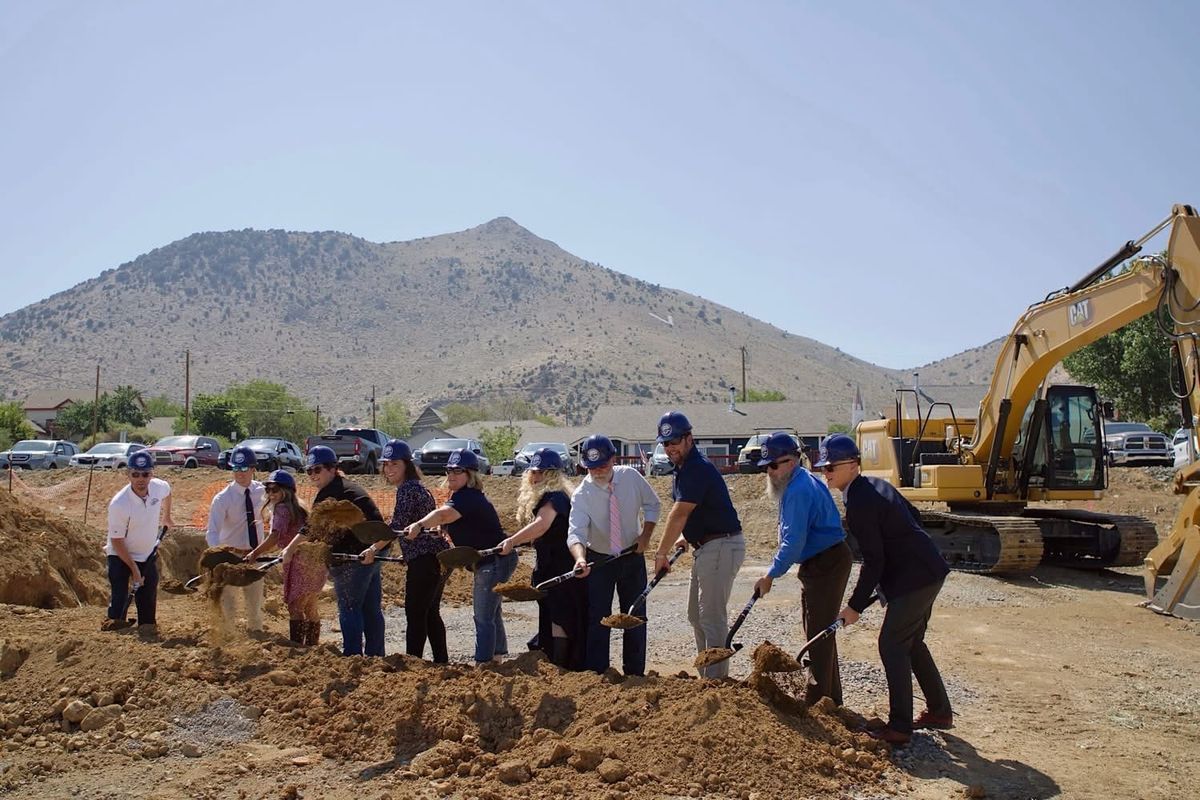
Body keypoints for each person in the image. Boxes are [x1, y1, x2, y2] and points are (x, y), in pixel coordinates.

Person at [821, 434, 954, 746]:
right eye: (823, 467)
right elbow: (914, 518)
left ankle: (899, 728)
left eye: (831, 466)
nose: (826, 472)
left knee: (891, 645)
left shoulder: (860, 502)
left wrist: (854, 605)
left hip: (915, 578)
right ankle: (939, 711)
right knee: (911, 642)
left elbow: (874, 559)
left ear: (853, 465)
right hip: (928, 570)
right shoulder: (875, 486)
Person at [751, 432, 852, 704]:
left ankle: (819, 703)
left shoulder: (797, 490)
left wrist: (770, 574)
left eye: (774, 465)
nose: (769, 472)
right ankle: (831, 701)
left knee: (819, 636)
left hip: (826, 563)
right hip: (822, 562)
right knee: (820, 633)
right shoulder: (796, 484)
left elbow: (793, 543)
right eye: (766, 467)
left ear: (793, 461)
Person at [652, 411, 745, 679]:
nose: (670, 448)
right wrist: (687, 536)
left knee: (712, 618)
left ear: (689, 439)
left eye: (675, 442)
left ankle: (717, 684)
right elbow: (694, 512)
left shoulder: (696, 468)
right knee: (696, 615)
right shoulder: (683, 469)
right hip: (707, 546)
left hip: (721, 545)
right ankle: (708, 677)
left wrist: (661, 553)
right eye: (666, 444)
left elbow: (679, 513)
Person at [406, 448, 515, 664]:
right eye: (449, 471)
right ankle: (497, 657)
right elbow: (454, 520)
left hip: (493, 560)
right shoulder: (461, 496)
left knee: (483, 614)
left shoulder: (468, 497)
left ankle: (484, 662)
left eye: (458, 471)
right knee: (492, 610)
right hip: (493, 559)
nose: (452, 475)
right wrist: (443, 528)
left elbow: (443, 514)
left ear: (471, 475)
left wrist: (419, 524)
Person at [567, 434, 660, 675]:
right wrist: (580, 558)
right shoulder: (581, 495)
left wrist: (645, 536)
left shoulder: (631, 478)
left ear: (613, 460)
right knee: (599, 617)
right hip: (600, 559)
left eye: (603, 465)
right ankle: (599, 673)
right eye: (592, 467)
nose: (598, 471)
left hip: (632, 554)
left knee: (635, 615)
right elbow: (575, 532)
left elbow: (653, 504)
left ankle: (634, 672)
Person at [500, 447, 584, 669]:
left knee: (560, 615)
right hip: (550, 563)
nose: (536, 476)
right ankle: (558, 662)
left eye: (542, 473)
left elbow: (541, 525)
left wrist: (512, 541)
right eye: (534, 472)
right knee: (550, 614)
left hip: (560, 564)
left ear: (553, 474)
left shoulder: (554, 498)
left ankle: (561, 665)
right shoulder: (551, 497)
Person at [305, 445, 390, 656]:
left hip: (357, 556)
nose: (313, 475)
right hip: (375, 549)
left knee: (350, 607)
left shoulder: (332, 493)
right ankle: (375, 656)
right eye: (309, 471)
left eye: (317, 470)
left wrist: (292, 550)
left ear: (332, 469)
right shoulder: (346, 487)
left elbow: (310, 529)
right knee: (370, 609)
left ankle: (353, 657)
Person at [379, 439, 447, 663]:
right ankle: (441, 661)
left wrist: (372, 547)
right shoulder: (418, 487)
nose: (389, 469)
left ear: (406, 465)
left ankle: (412, 663)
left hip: (424, 561)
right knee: (429, 613)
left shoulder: (407, 490)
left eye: (394, 464)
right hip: (432, 558)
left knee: (416, 612)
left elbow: (396, 527)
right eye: (386, 464)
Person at [246, 469, 324, 645]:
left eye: (275, 490)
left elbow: (274, 537)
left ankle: (298, 648)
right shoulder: (300, 506)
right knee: (310, 607)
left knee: (295, 607)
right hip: (315, 562)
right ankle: (312, 648)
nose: (271, 494)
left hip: (299, 563)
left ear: (286, 491)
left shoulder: (282, 509)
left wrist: (255, 553)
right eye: (269, 490)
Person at [104, 449, 173, 633]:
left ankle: (147, 627)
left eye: (145, 474)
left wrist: (167, 517)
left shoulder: (158, 487)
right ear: (128, 475)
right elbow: (117, 541)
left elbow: (168, 491)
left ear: (152, 474)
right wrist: (134, 570)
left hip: (147, 554)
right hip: (120, 554)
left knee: (148, 594)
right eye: (135, 474)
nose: (141, 479)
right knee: (120, 594)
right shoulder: (119, 504)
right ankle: (114, 628)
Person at [206, 445, 268, 636]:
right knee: (228, 606)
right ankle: (228, 644)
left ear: (253, 469)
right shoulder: (222, 499)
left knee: (255, 606)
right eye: (235, 469)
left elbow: (276, 517)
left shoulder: (264, 492)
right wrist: (220, 558)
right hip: (230, 558)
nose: (239, 473)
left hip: (255, 557)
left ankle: (256, 642)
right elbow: (212, 532)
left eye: (244, 469)